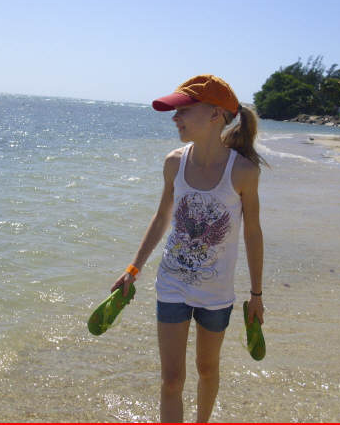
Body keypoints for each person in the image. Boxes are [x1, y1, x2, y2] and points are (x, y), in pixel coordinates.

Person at [111, 74, 269, 423]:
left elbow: (253, 233)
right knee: (171, 380)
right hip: (172, 286)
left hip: (216, 293)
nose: (175, 117)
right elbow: (161, 217)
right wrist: (133, 269)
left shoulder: (243, 171)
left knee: (207, 369)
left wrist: (256, 294)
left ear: (215, 114)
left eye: (183, 110)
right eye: (175, 111)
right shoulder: (174, 163)